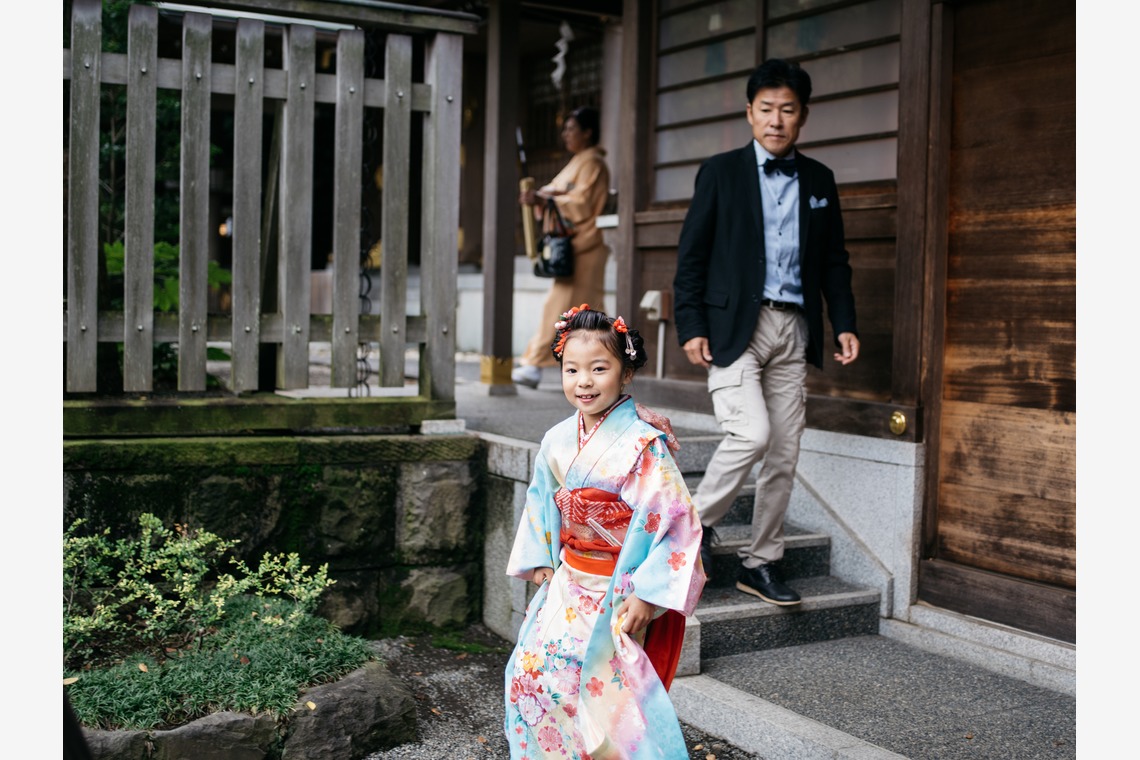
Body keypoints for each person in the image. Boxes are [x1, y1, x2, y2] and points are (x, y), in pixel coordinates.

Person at [672, 58, 859, 607]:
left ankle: (762, 562)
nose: (776, 120)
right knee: (750, 435)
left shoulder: (819, 179)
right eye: (766, 109)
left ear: (802, 116)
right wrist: (692, 324)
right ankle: (690, 527)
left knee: (784, 451)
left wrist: (843, 322)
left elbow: (835, 263)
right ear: (750, 112)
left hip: (794, 327)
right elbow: (693, 256)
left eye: (788, 110)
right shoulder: (720, 171)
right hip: (735, 328)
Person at [503, 305, 705, 759]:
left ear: (626, 372)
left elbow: (676, 523)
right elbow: (541, 500)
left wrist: (649, 595)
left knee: (610, 698)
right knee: (534, 673)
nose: (584, 381)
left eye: (599, 368)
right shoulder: (557, 439)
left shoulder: (640, 444)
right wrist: (541, 558)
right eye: (572, 370)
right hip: (569, 582)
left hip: (618, 589)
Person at [512, 107, 611, 389]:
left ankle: (534, 363)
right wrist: (541, 197)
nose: (566, 134)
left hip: (585, 245)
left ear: (588, 132)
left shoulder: (593, 163)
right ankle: (599, 365)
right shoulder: (579, 162)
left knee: (566, 309)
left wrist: (545, 199)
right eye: (565, 129)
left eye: (572, 129)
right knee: (585, 316)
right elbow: (557, 192)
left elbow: (580, 203)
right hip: (576, 246)